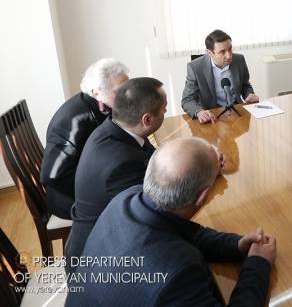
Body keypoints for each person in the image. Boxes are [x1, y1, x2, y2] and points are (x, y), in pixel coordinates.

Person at [65, 137, 276, 306]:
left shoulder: (126, 199)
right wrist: (258, 264)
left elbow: (186, 232)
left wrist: (236, 245)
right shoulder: (179, 273)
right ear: (203, 196)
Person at [65, 77, 167, 273]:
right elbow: (156, 212)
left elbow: (152, 157)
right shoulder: (122, 165)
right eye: (164, 108)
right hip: (97, 266)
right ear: (146, 120)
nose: (166, 111)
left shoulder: (117, 128)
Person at [41, 58, 129, 219]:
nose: (128, 95)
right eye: (120, 90)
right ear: (97, 93)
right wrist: (92, 193)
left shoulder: (101, 105)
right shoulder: (75, 121)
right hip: (71, 200)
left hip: (91, 181)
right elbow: (52, 175)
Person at [182, 29, 258, 124]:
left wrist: (249, 95)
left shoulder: (239, 60)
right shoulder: (195, 67)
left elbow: (245, 85)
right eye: (222, 52)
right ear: (210, 53)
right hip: (212, 115)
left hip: (236, 111)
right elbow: (187, 100)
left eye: (230, 49)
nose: (229, 56)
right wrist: (199, 112)